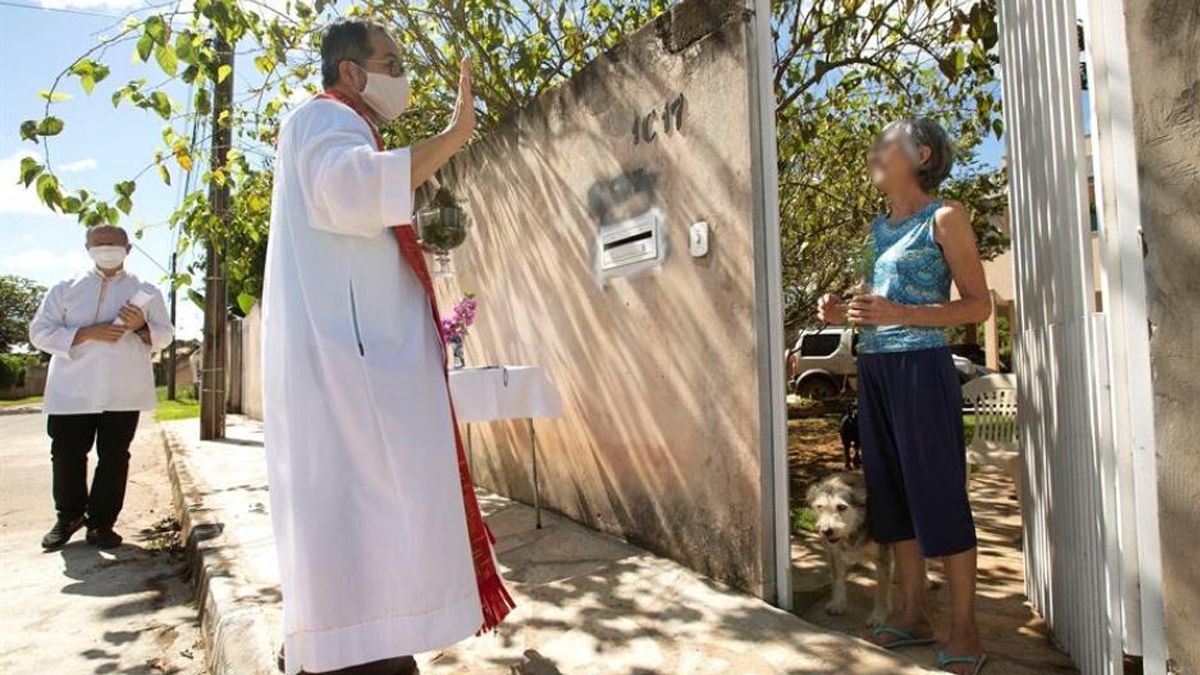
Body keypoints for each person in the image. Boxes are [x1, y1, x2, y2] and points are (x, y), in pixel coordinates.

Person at [260, 18, 513, 675]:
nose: (401, 75)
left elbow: (359, 208)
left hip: (353, 362)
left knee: (367, 522)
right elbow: (354, 189)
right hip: (352, 369)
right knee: (368, 511)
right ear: (351, 72)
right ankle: (354, 654)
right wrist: (454, 137)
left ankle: (360, 646)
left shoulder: (338, 125)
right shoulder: (323, 119)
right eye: (392, 62)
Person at [817, 118, 992, 675]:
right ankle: (913, 614)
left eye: (884, 143)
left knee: (938, 494)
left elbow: (977, 307)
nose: (873, 150)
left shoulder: (946, 217)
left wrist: (902, 315)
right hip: (876, 371)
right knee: (893, 498)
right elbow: (868, 298)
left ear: (920, 154)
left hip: (922, 369)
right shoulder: (876, 230)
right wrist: (839, 312)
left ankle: (965, 629)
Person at [29, 224, 173, 551]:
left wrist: (140, 327)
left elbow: (165, 336)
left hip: (123, 389)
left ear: (128, 248)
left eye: (113, 243)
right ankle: (68, 517)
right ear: (87, 247)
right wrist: (87, 333)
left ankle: (101, 524)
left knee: (114, 456)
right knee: (66, 453)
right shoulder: (64, 289)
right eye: (99, 243)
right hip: (71, 389)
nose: (106, 248)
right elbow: (39, 333)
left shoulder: (146, 291)